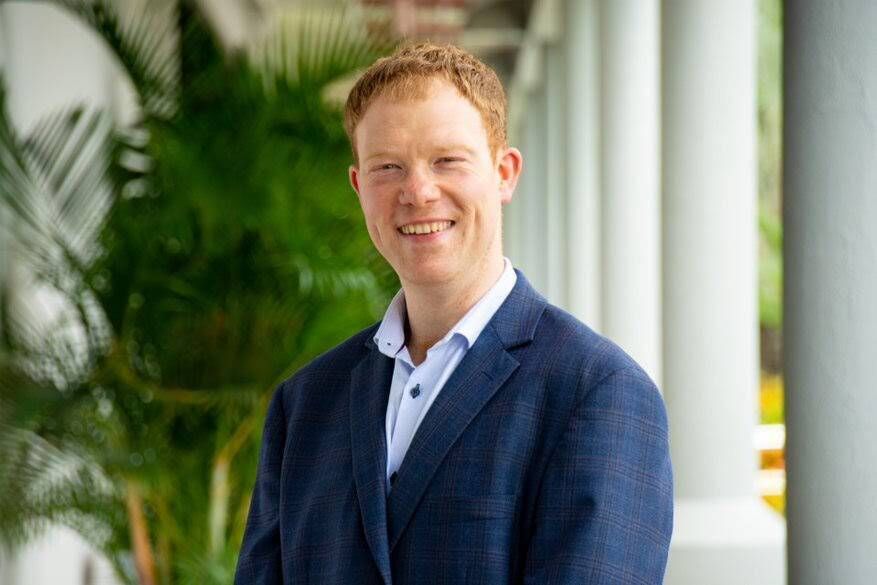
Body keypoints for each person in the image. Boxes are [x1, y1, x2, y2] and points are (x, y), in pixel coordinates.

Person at [235, 42, 673, 585]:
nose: (417, 192)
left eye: (447, 160)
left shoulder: (597, 393)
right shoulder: (303, 406)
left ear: (504, 173)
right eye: (388, 167)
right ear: (359, 187)